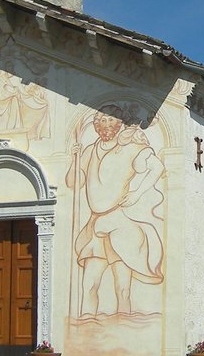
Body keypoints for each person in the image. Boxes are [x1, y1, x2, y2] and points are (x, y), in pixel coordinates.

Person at [67, 104, 165, 317]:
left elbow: (157, 168)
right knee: (89, 286)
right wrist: (74, 160)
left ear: (120, 123)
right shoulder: (90, 150)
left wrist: (137, 193)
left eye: (110, 120)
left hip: (119, 226)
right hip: (95, 226)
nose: (105, 124)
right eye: (101, 120)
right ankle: (87, 329)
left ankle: (123, 332)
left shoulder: (131, 148)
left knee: (123, 288)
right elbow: (72, 182)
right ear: (95, 125)